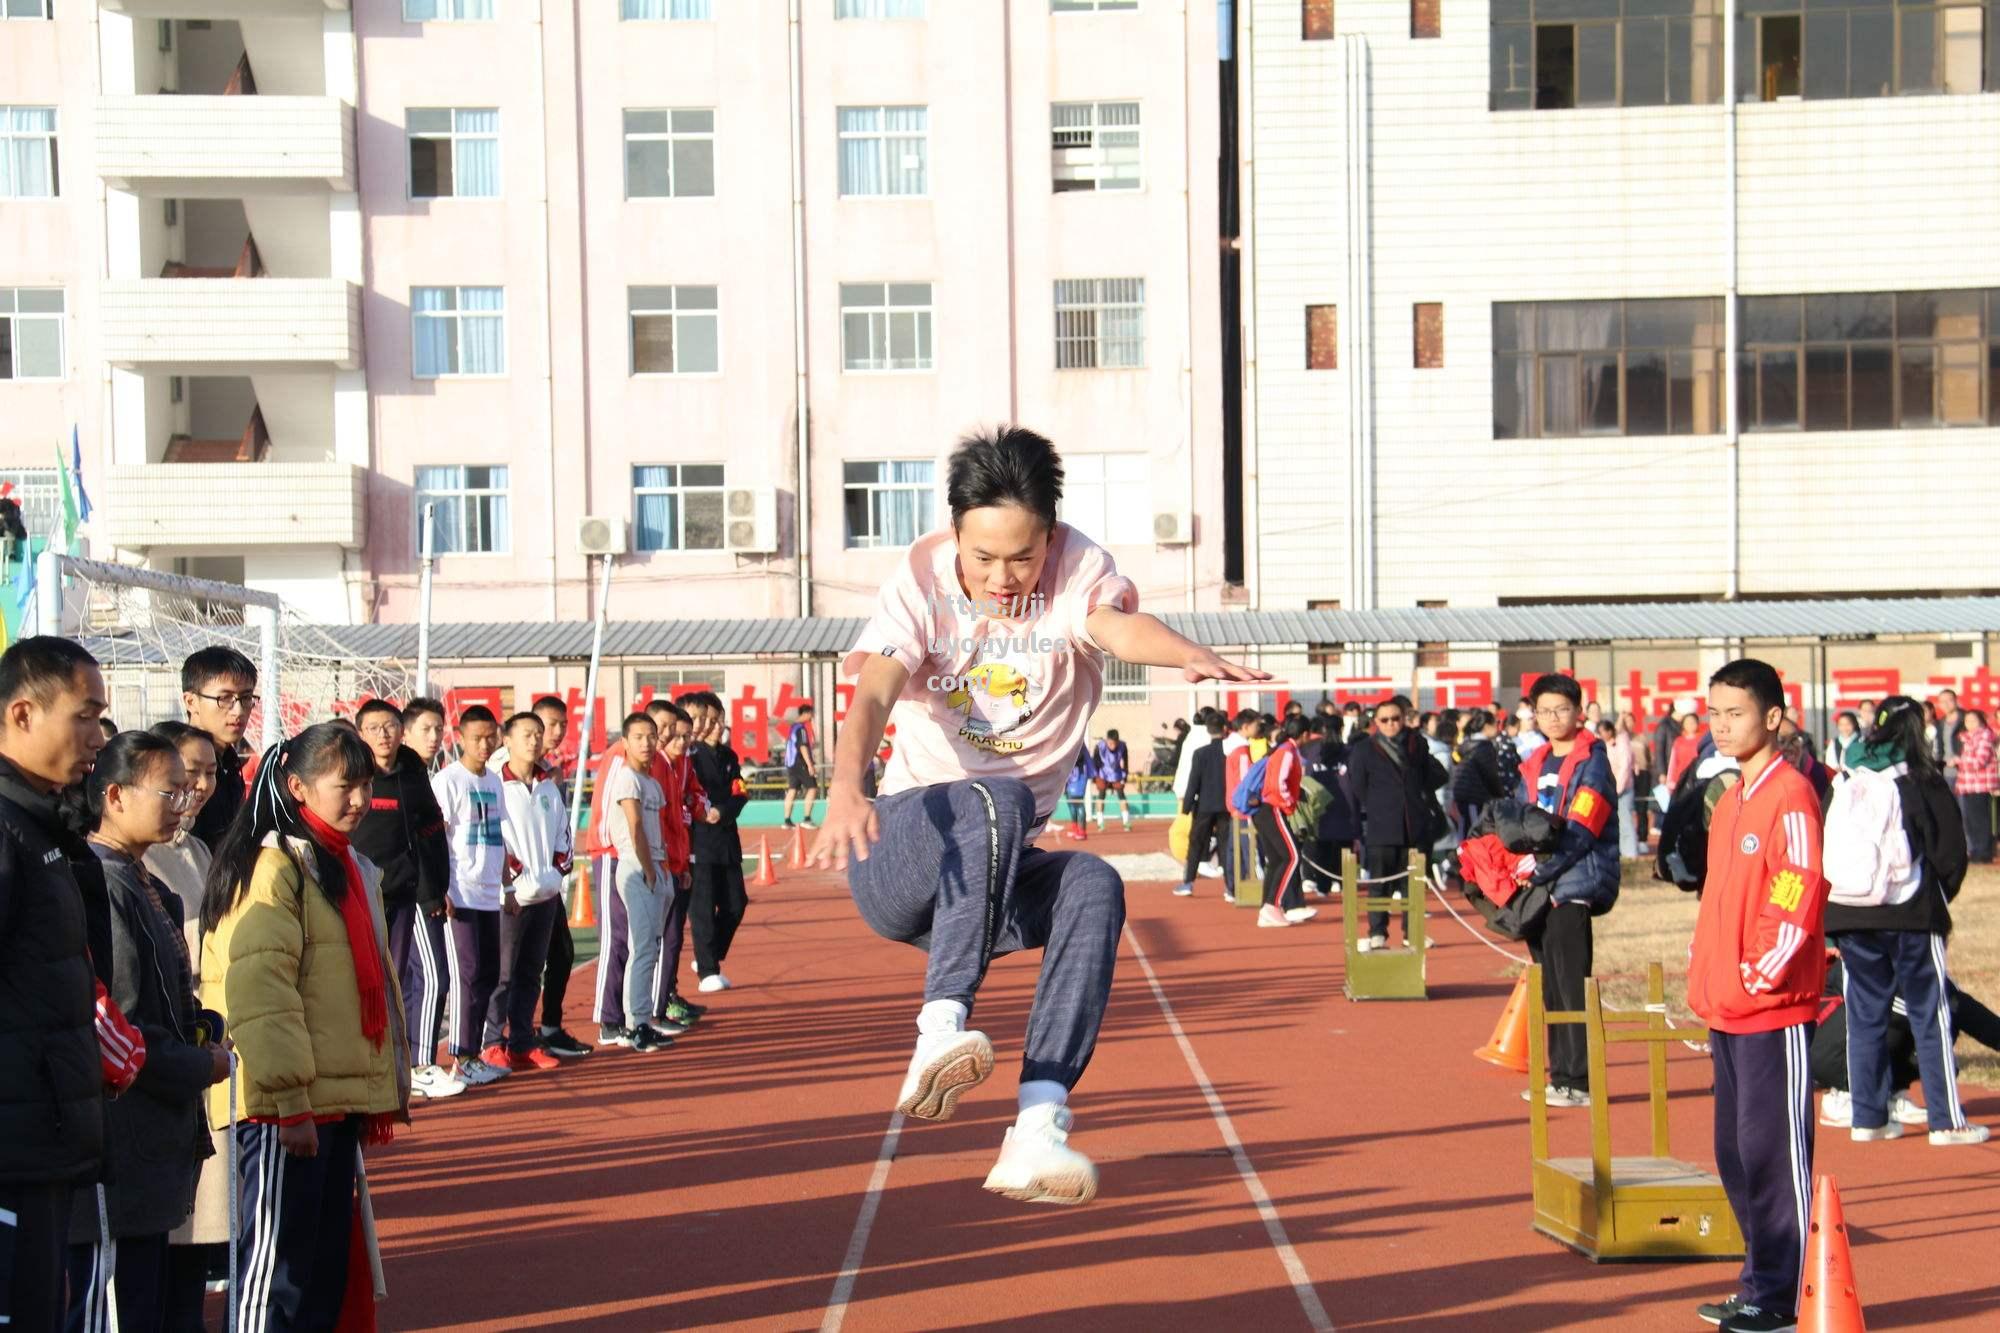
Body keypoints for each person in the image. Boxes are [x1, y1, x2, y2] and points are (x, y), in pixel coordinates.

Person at [808, 425, 1266, 1206]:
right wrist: (845, 788)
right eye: (982, 557)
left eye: (1022, 556)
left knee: (1093, 881)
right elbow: (876, 690)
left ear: (1049, 538)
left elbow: (1116, 629)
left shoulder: (1080, 571)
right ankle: (939, 1032)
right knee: (1000, 796)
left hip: (992, 883)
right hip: (907, 852)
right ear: (955, 531)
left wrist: (1181, 650)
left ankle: (1036, 1126)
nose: (1003, 576)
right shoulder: (920, 578)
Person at [197, 723, 411, 1333]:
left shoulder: (342, 865)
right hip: (282, 1109)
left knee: (320, 1276)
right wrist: (289, 1104)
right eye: (344, 786)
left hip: (330, 1100)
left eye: (366, 786)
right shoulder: (275, 867)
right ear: (296, 787)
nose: (360, 801)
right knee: (274, 1278)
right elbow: (260, 993)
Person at [1686, 658, 1830, 1333]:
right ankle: (1757, 1280)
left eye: (1734, 712)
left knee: (1774, 1153)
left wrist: (1757, 973)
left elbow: (1795, 890)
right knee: (1734, 1151)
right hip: (1727, 1009)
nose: (1720, 724)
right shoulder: (1731, 795)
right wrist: (1708, 976)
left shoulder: (1790, 793)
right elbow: (1720, 900)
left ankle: (1780, 1293)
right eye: (1713, 712)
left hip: (1770, 1008)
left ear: (1773, 716)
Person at [69, 732, 230, 1333]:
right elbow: (123, 1027)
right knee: (120, 1303)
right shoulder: (105, 883)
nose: (184, 802)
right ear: (113, 795)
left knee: (159, 1295)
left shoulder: (144, 878)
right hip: (124, 1138)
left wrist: (201, 1028)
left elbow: (163, 1003)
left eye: (187, 790)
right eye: (170, 790)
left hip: (157, 1136)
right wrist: (199, 1065)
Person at [0, 638, 112, 1332]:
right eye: (84, 715)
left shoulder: (42, 823)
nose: (99, 736)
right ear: (21, 714)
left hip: (44, 1135)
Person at [1824, 695, 1987, 1145]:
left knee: (1864, 1014)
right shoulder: (1920, 779)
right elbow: (1951, 852)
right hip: (1911, 912)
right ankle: (1945, 1120)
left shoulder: (1847, 774)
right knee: (1928, 1013)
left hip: (1848, 911)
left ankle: (1868, 1117)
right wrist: (1938, 897)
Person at [142, 721, 233, 1329]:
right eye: (184, 776)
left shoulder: (196, 849)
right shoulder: (139, 855)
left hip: (199, 1046)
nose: (197, 788)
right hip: (160, 1058)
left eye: (207, 775)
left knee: (191, 1241)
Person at [1517, 673, 1621, 1108]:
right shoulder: (1536, 759)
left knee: (1572, 984)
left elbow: (1581, 829)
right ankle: (1560, 1075)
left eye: (1562, 709)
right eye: (1544, 710)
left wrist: (1540, 869)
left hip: (1573, 883)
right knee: (1551, 987)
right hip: (1541, 884)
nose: (1553, 717)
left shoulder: (1591, 761)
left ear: (1579, 712)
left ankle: (1578, 1080)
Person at [350, 699, 461, 1102]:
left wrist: (434, 889)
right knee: (361, 983)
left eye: (390, 726)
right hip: (355, 895)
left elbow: (432, 830)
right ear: (360, 732)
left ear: (401, 731)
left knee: (413, 979)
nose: (383, 734)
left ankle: (416, 1064)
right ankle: (370, 1066)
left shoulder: (413, 775)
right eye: (374, 727)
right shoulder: (348, 773)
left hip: (405, 895)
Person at [430, 705, 511, 1087]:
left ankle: (475, 1053)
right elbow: (436, 838)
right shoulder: (448, 781)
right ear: (459, 737)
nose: (484, 744)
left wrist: (507, 886)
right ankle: (460, 1056)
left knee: (490, 974)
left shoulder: (494, 781)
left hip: (489, 893)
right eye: (477, 737)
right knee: (467, 973)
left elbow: (501, 837)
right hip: (459, 892)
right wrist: (441, 887)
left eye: (490, 737)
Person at [488, 712, 573, 1071]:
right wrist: (516, 879)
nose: (535, 740)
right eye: (526, 734)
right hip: (511, 898)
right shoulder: (495, 785)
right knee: (502, 974)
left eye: (539, 734)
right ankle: (492, 1042)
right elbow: (496, 839)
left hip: (546, 895)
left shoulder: (548, 787)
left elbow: (562, 835)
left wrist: (553, 874)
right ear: (506, 740)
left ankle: (522, 1040)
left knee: (530, 972)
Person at [600, 713, 676, 1052]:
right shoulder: (627, 778)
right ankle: (637, 1023)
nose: (646, 743)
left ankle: (641, 1020)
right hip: (636, 866)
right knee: (643, 947)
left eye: (651, 736)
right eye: (638, 736)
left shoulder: (653, 783)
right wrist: (648, 869)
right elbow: (634, 827)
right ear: (625, 742)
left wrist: (662, 871)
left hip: (656, 866)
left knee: (651, 946)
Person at [1346, 699, 1446, 950]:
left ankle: (1412, 933)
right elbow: (1358, 786)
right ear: (1376, 723)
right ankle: (1377, 932)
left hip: (1415, 824)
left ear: (1403, 719)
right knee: (1380, 884)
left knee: (1413, 885)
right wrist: (1380, 805)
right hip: (1383, 826)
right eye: (1385, 720)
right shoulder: (1364, 749)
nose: (1391, 724)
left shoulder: (1417, 744)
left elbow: (1429, 777)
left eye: (1395, 718)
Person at [525, 695, 593, 1059]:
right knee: (520, 965)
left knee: (561, 953)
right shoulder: (507, 770)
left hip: (548, 883)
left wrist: (559, 865)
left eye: (561, 725)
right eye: (548, 724)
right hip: (517, 887)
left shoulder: (551, 772)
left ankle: (549, 1027)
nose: (553, 733)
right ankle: (511, 1036)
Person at [648, 702, 712, 1035]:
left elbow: (690, 801)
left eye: (686, 735)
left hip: (678, 857)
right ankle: (652, 1007)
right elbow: (659, 818)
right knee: (658, 939)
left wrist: (698, 805)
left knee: (672, 937)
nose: (682, 740)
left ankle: (664, 998)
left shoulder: (682, 764)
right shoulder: (656, 764)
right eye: (675, 733)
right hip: (660, 861)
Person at [684, 691, 749, 994]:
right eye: (708, 719)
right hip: (699, 842)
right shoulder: (691, 757)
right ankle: (708, 969)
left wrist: (722, 811)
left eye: (718, 718)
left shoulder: (729, 757)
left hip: (726, 840)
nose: (714, 725)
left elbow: (740, 792)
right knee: (703, 908)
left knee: (736, 903)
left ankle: (708, 955)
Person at [182, 646, 258, 848]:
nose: (238, 711)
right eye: (225, 698)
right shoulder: (172, 764)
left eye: (246, 698)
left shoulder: (230, 763)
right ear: (191, 702)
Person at [1247, 718, 1313, 927]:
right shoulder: (1287, 751)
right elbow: (1278, 783)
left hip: (1267, 809)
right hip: (1272, 808)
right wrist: (1288, 802)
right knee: (1292, 856)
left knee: (1276, 859)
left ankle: (1268, 907)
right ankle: (1272, 906)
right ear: (1304, 734)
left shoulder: (1282, 750)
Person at [1174, 715, 1229, 897]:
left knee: (1195, 844)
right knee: (1225, 845)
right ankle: (1231, 888)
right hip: (1225, 805)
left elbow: (1193, 782)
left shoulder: (1200, 753)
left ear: (1208, 730)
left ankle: (1188, 882)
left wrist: (1186, 807)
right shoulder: (1229, 753)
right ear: (1224, 729)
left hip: (1204, 806)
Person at [1954, 709, 1994, 864]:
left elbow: (1979, 761)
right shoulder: (1966, 739)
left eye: (1973, 721)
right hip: (1967, 785)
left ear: (1981, 721)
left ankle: (1984, 852)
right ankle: (1976, 850)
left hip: (1980, 785)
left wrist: (1959, 761)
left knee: (1980, 820)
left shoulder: (1985, 737)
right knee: (1970, 820)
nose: (1969, 724)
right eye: (1967, 721)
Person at [1601, 719, 1638, 858]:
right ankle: (1620, 851)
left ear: (1610, 731)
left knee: (1625, 820)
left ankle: (1630, 853)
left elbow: (1625, 766)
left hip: (1623, 788)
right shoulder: (1604, 745)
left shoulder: (1622, 742)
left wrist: (1618, 788)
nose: (1602, 735)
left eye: (1604, 732)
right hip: (1610, 788)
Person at [781, 702, 820, 829]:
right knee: (813, 788)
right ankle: (807, 819)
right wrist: (809, 764)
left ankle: (787, 820)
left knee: (792, 790)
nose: (812, 717)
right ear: (806, 713)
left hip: (791, 764)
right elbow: (802, 746)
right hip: (800, 763)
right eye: (811, 714)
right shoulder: (801, 729)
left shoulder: (793, 728)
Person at [1091, 729, 1133, 832]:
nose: (1112, 746)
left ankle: (1126, 822)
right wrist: (1095, 776)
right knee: (1101, 795)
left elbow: (1125, 761)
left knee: (1121, 795)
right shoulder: (1100, 746)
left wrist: (1125, 774)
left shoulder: (1123, 746)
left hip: (1116, 773)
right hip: (1102, 773)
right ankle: (1100, 823)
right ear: (1107, 741)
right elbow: (1095, 760)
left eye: (1114, 743)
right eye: (1110, 743)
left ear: (1118, 741)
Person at [402, 696, 448, 774]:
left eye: (439, 729)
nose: (434, 737)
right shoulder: (400, 776)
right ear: (405, 734)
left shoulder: (420, 772)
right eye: (425, 729)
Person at [1825, 710, 1862, 774]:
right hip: (1839, 779)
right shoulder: (1834, 743)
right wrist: (1835, 769)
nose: (1844, 727)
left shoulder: (1861, 741)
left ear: (1854, 724)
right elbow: (1829, 763)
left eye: (1848, 724)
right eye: (1841, 724)